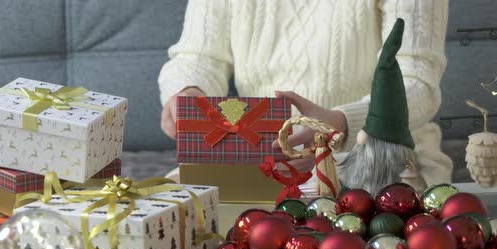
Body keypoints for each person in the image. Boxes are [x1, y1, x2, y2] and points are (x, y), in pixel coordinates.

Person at [158, 0, 453, 185]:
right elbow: (197, 58)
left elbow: (417, 83)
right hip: (259, 156)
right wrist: (187, 90)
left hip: (377, 155)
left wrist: (340, 124)